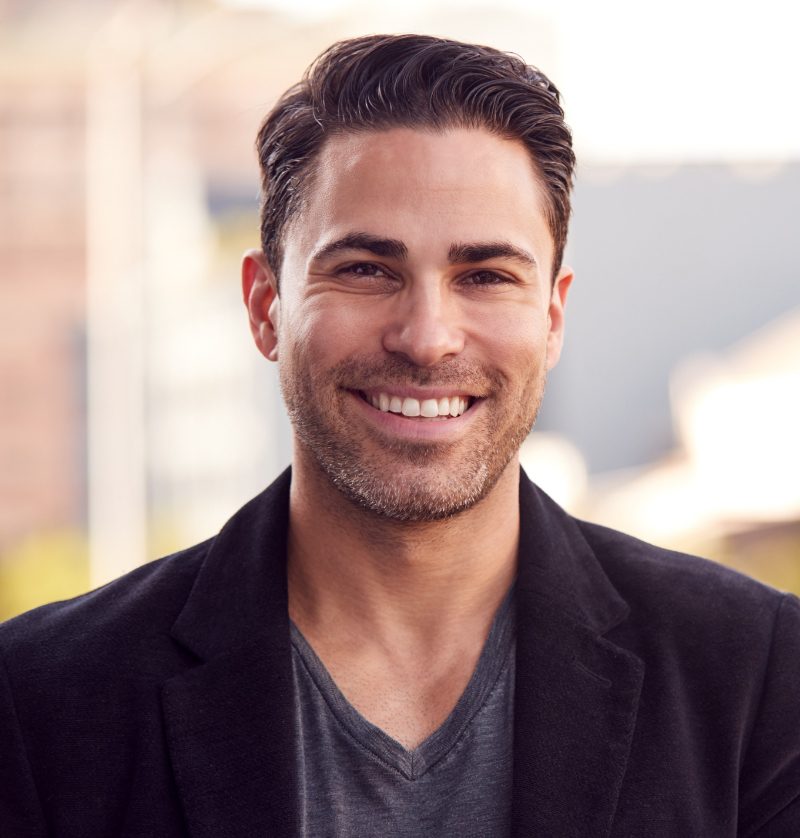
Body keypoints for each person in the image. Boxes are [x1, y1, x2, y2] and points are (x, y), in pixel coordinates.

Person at [1, 33, 798, 838]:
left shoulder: (758, 679)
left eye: (485, 276)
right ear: (264, 306)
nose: (427, 338)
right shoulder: (40, 701)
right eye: (365, 270)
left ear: (552, 318)